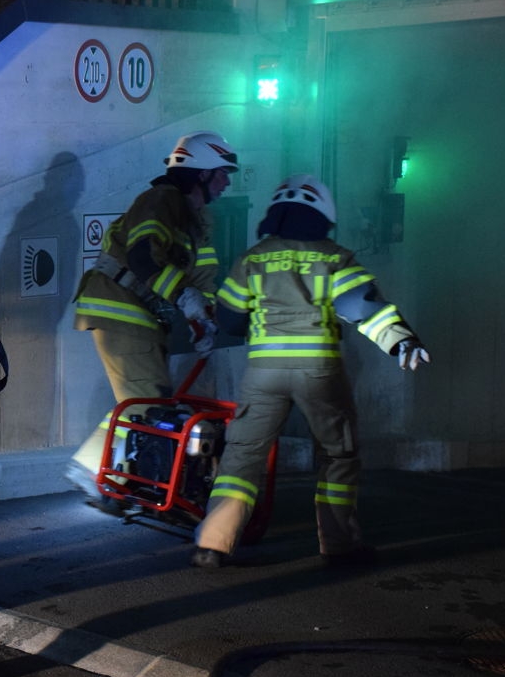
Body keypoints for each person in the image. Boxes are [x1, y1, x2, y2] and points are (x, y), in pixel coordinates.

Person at [190, 174, 429, 569]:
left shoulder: (253, 258)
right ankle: (339, 545)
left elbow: (230, 319)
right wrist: (401, 340)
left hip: (263, 373)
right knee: (338, 454)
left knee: (243, 457)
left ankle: (213, 543)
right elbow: (363, 308)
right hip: (318, 371)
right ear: (322, 213)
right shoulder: (334, 257)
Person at [66, 131, 238, 504]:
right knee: (148, 401)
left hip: (137, 315)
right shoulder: (161, 200)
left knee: (143, 398)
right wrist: (185, 298)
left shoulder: (196, 220)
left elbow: (202, 279)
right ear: (202, 173)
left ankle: (97, 469)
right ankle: (101, 476)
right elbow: (143, 256)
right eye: (223, 173)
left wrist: (205, 320)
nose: (227, 182)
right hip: (120, 309)